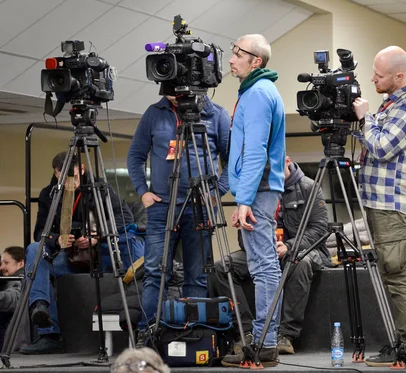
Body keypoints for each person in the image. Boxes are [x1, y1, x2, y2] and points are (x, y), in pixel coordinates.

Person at [127, 93, 230, 337]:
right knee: (155, 272)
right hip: (161, 206)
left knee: (197, 274)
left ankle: (194, 333)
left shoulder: (215, 114)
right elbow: (135, 156)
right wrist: (143, 192)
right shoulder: (154, 112)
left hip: (201, 205)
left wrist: (217, 191)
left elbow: (234, 158)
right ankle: (149, 332)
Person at [20, 151, 142, 354]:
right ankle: (45, 323)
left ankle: (146, 322)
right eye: (64, 178)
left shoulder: (100, 188)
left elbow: (125, 218)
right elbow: (39, 233)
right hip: (68, 256)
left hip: (101, 252)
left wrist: (97, 235)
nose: (70, 183)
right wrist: (57, 238)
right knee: (35, 249)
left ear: (82, 170)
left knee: (131, 241)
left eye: (74, 178)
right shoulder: (48, 194)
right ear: (56, 173)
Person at [352, 45, 406, 367]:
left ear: (399, 76)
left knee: (398, 275)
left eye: (379, 75)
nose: (372, 79)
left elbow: (381, 147)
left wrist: (365, 118)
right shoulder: (390, 102)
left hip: (390, 202)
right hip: (376, 200)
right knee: (390, 273)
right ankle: (402, 343)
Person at [213, 156, 329, 355]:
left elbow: (319, 230)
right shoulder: (256, 190)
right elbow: (243, 239)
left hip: (300, 250)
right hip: (265, 252)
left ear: (287, 161)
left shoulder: (310, 187)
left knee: (300, 262)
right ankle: (247, 331)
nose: (269, 174)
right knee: (223, 266)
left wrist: (289, 246)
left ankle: (285, 335)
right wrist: (260, 244)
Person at [221, 34, 286, 367]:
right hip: (255, 191)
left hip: (258, 190)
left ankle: (265, 343)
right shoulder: (254, 91)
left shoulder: (259, 94)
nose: (231, 58)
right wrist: (242, 199)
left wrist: (243, 200)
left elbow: (256, 150)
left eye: (238, 53)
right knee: (263, 267)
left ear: (256, 61)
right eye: (233, 52)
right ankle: (265, 340)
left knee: (264, 269)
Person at [0, 246, 25, 351]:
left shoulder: (20, 277)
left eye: (6, 263)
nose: (1, 267)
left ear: (20, 263)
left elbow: (15, 298)